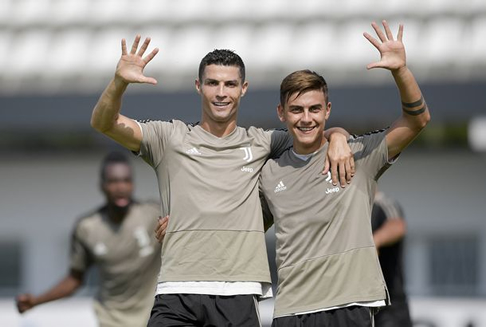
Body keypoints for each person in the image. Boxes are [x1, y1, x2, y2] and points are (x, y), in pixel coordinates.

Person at [90, 34, 353, 326]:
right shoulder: (168, 138)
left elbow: (309, 132)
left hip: (238, 293)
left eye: (230, 84)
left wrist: (338, 136)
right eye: (213, 83)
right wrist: (119, 83)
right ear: (198, 86)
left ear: (243, 89)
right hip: (177, 291)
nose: (221, 92)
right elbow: (104, 123)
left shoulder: (264, 142)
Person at [258, 20, 430, 327]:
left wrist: (400, 71)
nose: (306, 118)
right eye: (297, 110)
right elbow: (244, 225)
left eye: (314, 109)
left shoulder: (358, 155)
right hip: (289, 311)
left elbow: (417, 121)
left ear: (327, 110)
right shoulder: (269, 172)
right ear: (281, 113)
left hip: (348, 306)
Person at [16, 152, 162, 327]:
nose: (121, 187)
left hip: (153, 317)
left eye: (126, 180)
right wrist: (37, 301)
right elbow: (74, 280)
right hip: (111, 319)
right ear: (102, 186)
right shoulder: (87, 228)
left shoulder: (153, 214)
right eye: (113, 181)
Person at [371, 190, 412, 327]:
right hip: (359, 306)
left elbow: (397, 226)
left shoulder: (383, 203)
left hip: (389, 307)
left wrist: (375, 241)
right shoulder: (347, 206)